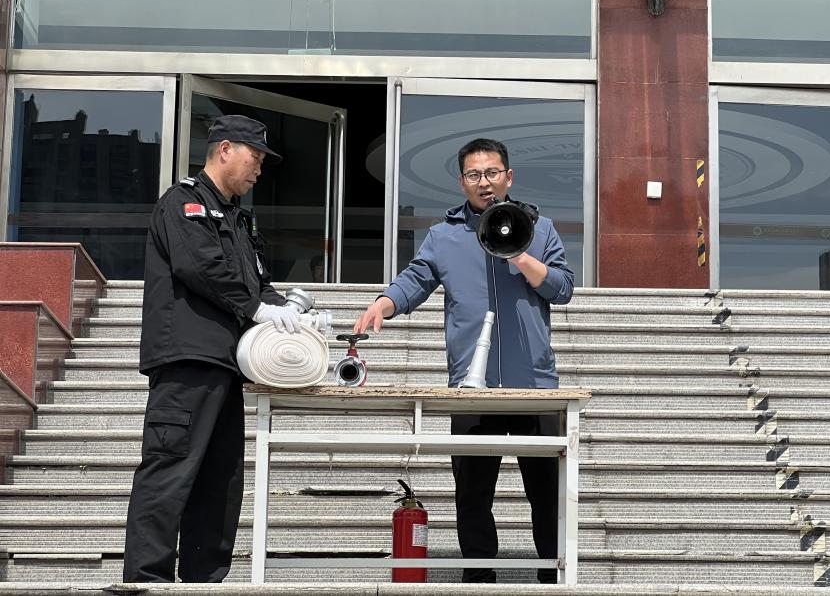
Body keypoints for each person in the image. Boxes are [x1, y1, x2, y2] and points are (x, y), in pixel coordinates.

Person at [354, 137, 574, 584]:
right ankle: (478, 577)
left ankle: (552, 579)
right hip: (471, 388)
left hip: (534, 385)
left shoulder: (541, 229)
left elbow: (562, 288)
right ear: (462, 182)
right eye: (474, 174)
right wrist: (384, 303)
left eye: (492, 173)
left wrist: (519, 252)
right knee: (473, 494)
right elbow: (415, 279)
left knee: (546, 493)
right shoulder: (444, 235)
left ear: (508, 177)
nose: (484, 182)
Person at [123, 115, 302, 583]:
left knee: (221, 480)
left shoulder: (240, 219)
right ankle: (147, 581)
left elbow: (256, 283)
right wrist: (257, 308)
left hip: (226, 365)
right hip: (186, 360)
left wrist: (289, 312)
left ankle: (204, 582)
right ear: (225, 150)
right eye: (254, 157)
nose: (259, 169)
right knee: (170, 470)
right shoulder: (184, 203)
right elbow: (200, 267)